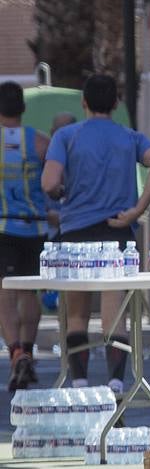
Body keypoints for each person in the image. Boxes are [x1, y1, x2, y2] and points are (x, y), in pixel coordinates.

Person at [41, 75, 150, 393]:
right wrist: (138, 209)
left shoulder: (66, 135)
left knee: (76, 314)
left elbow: (49, 183)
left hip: (75, 233)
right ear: (116, 103)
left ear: (83, 102)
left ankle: (80, 382)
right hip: (118, 231)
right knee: (116, 314)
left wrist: (61, 192)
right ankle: (115, 383)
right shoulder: (130, 137)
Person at [0, 82, 50, 392]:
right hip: (35, 227)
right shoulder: (40, 142)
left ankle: (15, 352)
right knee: (30, 293)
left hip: (3, 227)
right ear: (23, 108)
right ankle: (28, 351)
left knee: (5, 293)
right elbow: (56, 180)